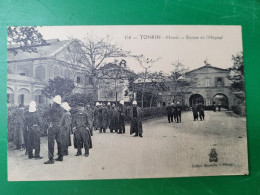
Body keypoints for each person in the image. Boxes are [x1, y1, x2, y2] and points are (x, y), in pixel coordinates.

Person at [44, 95, 64, 164]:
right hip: (59, 125)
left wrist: (51, 106)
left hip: (52, 125)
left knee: (51, 142)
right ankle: (60, 156)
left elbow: (47, 114)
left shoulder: (53, 108)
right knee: (59, 141)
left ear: (55, 102)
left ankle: (51, 159)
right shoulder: (62, 109)